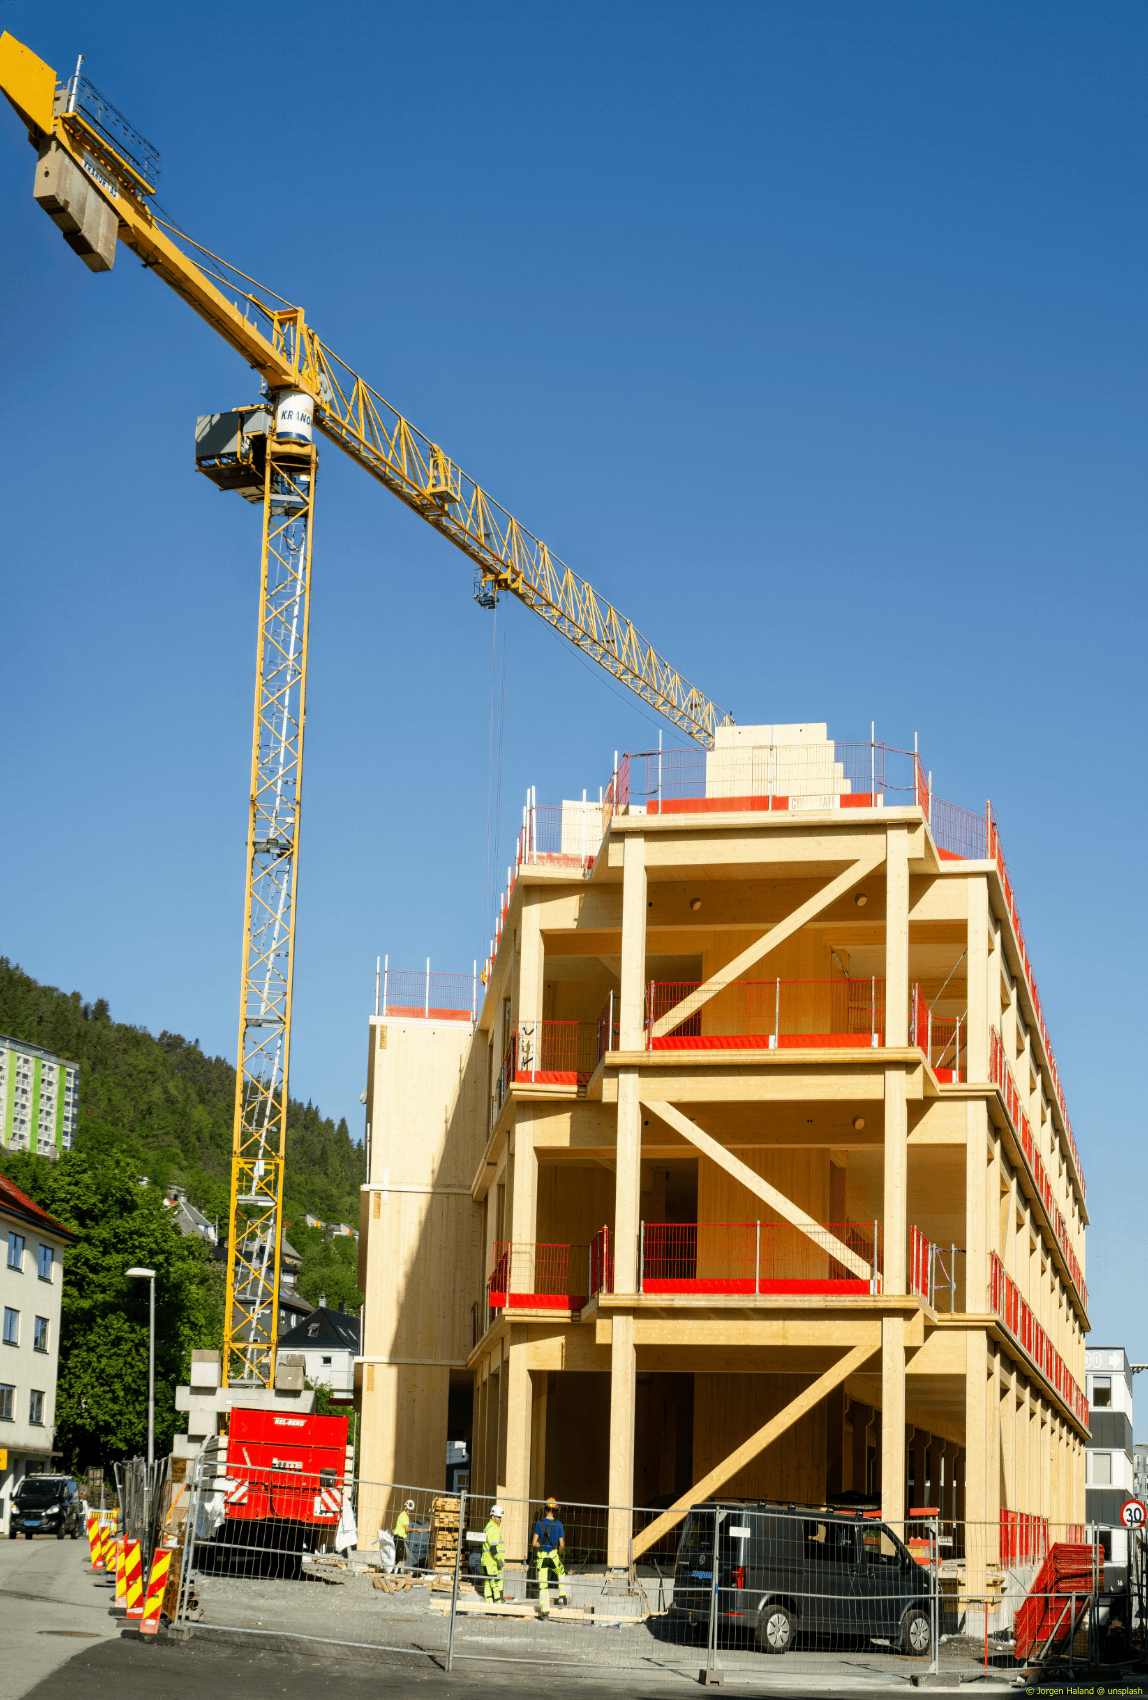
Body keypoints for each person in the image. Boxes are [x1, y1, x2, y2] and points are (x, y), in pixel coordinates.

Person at [532, 1497, 568, 1617]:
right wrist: (560, 1552)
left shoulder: (539, 1524)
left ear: (545, 1509)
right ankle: (562, 1597)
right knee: (561, 1572)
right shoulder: (558, 1524)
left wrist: (541, 1544)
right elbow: (561, 1544)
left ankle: (545, 1611)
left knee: (543, 1584)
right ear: (555, 1510)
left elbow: (534, 1543)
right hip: (553, 1555)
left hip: (542, 1557)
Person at [481, 1504, 505, 1604]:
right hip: (492, 1561)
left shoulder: (489, 1526)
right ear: (493, 1516)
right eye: (498, 1517)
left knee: (487, 1582)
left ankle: (489, 1602)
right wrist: (499, 1560)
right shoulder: (493, 1529)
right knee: (494, 1582)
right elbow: (493, 1549)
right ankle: (498, 1602)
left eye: (501, 1517)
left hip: (487, 1560)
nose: (500, 1519)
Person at [393, 1499, 415, 1568]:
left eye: (409, 1510)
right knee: (400, 1555)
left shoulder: (403, 1514)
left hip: (399, 1537)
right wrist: (416, 1529)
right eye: (408, 1509)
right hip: (399, 1537)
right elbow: (407, 1529)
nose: (408, 1511)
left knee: (400, 1555)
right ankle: (396, 1570)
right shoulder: (405, 1516)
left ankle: (395, 1570)